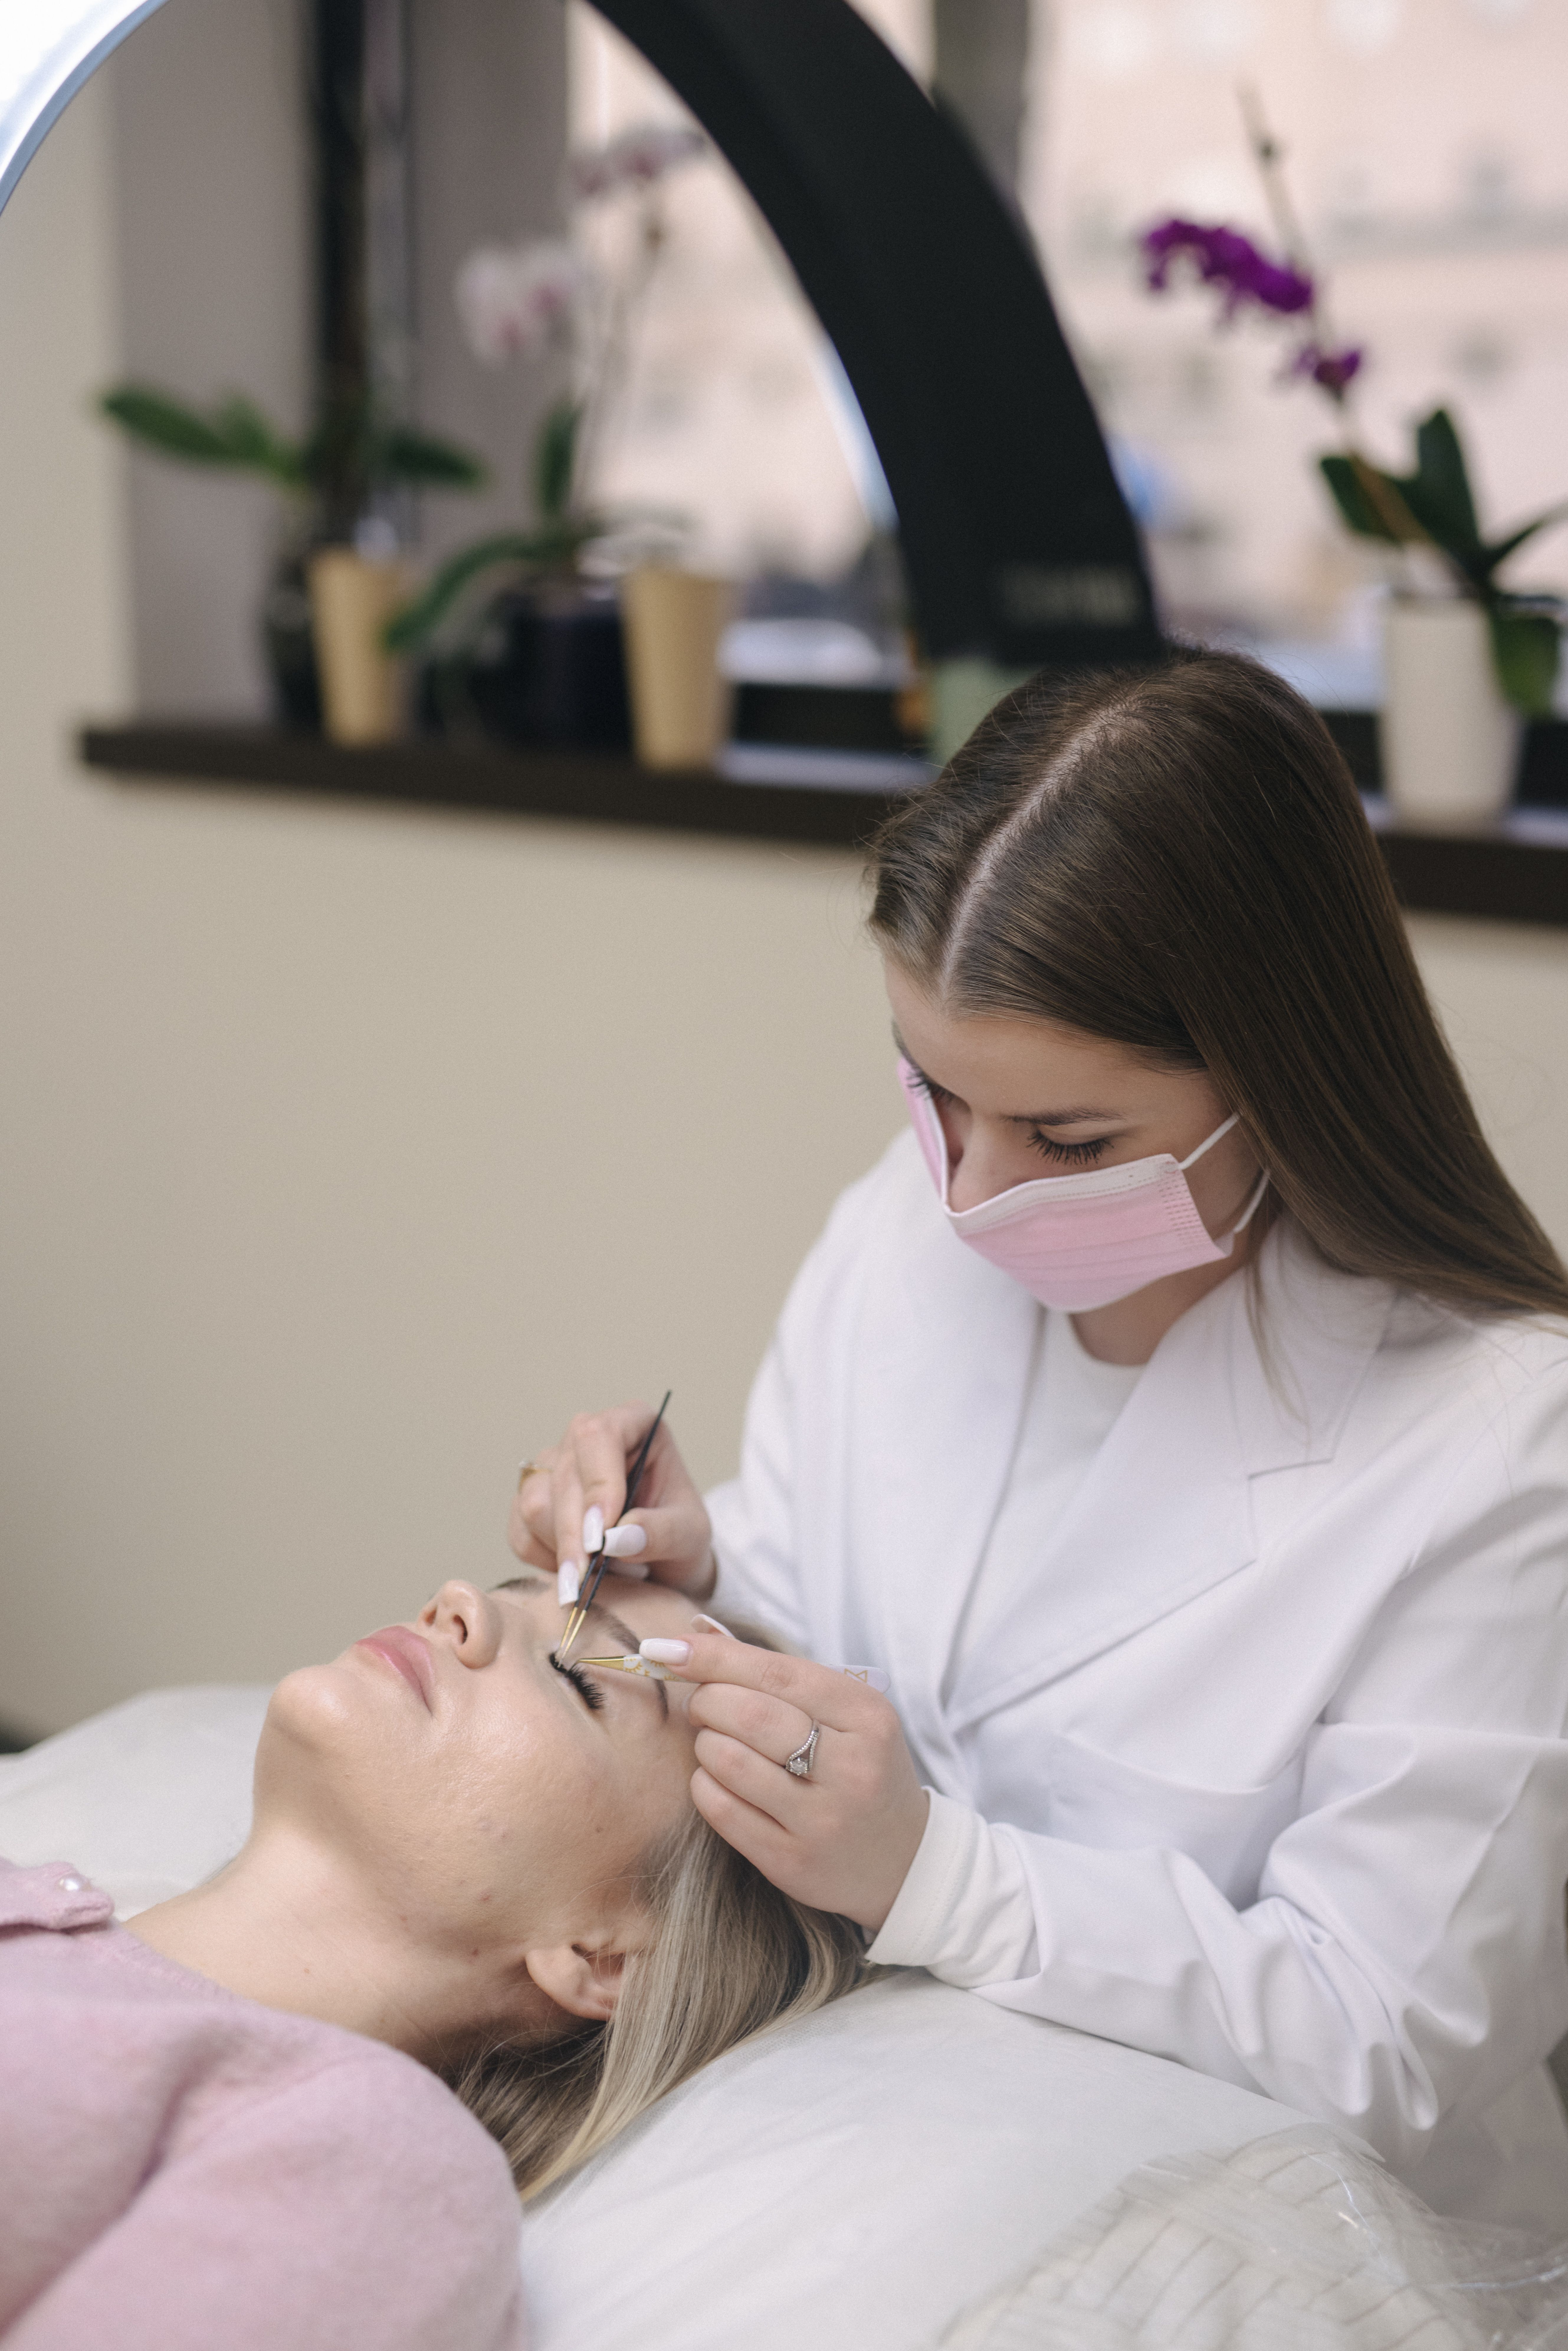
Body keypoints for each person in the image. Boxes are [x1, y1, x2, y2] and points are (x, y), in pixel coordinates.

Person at [512, 647, 1568, 2232]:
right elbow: (840, 1638)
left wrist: (944, 1877)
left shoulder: (1498, 1446)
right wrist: (703, 1568)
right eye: (935, 1095)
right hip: (901, 2137)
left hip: (1296, 2253)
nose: (967, 1192)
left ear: (1280, 1077)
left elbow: (1385, 2046)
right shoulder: (904, 1227)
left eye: (1069, 1141)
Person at [0, 1570, 865, 2349]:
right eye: (507, 1586)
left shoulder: (380, 2170)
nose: (460, 1598)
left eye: (577, 1675)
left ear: (606, 1957)